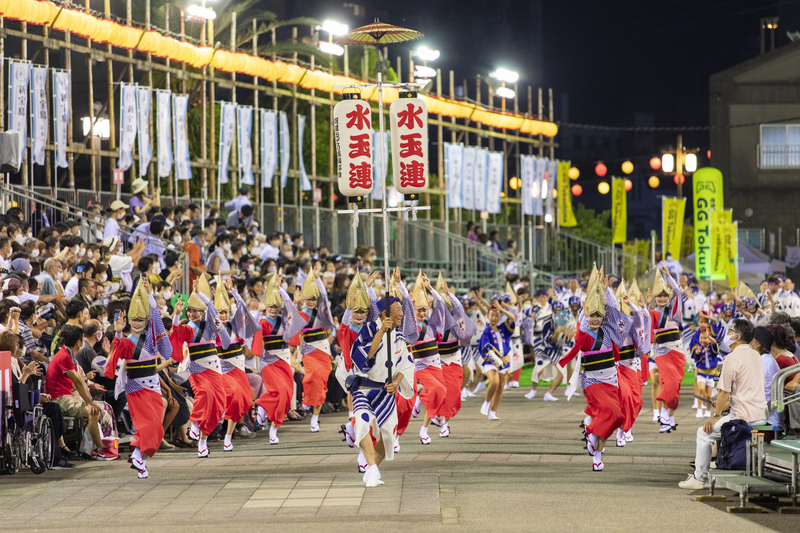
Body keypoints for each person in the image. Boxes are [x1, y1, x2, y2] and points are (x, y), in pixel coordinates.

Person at [679, 320, 768, 489]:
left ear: (737, 336)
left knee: (704, 433)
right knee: (710, 430)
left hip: (742, 417)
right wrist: (724, 404)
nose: (727, 333)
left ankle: (699, 478)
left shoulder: (731, 358)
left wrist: (716, 416)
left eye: (730, 330)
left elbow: (723, 391)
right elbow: (745, 390)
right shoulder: (756, 355)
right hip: (760, 414)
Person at [104, 279, 173, 478]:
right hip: (136, 387)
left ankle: (139, 459)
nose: (136, 323)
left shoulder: (150, 335)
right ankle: (137, 455)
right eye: (132, 319)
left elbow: (158, 323)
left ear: (145, 321)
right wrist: (117, 331)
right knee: (147, 425)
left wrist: (150, 296)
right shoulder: (125, 340)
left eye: (140, 320)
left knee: (155, 428)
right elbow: (116, 353)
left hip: (153, 386)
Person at [558, 265, 624, 472]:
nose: (595, 318)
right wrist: (591, 294)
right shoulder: (584, 329)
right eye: (592, 314)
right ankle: (596, 453)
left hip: (610, 380)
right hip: (593, 381)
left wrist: (606, 291)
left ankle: (594, 437)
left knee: (618, 417)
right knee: (610, 411)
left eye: (598, 315)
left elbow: (612, 310)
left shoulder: (608, 329)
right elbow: (586, 316)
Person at [348, 295, 415, 487]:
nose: (402, 313)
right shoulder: (369, 329)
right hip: (365, 387)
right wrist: (381, 332)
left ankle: (371, 469)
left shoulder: (399, 336)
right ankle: (373, 468)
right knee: (362, 422)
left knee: (388, 436)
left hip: (386, 390)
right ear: (386, 313)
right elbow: (364, 356)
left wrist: (397, 381)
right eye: (398, 309)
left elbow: (406, 364)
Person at [169, 275, 230, 458]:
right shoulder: (187, 327)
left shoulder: (210, 325)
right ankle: (195, 423)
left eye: (195, 311)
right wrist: (177, 313)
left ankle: (202, 442)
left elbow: (212, 307)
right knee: (204, 393)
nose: (191, 314)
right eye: (189, 310)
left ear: (202, 311)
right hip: (196, 368)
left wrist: (199, 294)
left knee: (218, 404)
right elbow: (175, 331)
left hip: (213, 367)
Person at [45, 324, 114, 460]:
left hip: (67, 395)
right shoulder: (64, 356)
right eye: (82, 339)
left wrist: (90, 401)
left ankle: (93, 449)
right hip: (59, 398)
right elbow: (78, 382)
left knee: (97, 409)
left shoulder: (69, 355)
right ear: (78, 342)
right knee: (93, 411)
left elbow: (81, 382)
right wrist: (89, 403)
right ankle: (94, 450)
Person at [256, 272, 304, 444]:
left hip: (284, 360)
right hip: (269, 361)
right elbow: (251, 331)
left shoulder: (284, 320)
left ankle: (274, 428)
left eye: (277, 305)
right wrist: (258, 311)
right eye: (270, 305)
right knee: (279, 392)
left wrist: (279, 289)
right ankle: (262, 404)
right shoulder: (262, 321)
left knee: (287, 394)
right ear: (266, 305)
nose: (273, 308)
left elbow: (291, 305)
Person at [214, 275, 260, 451]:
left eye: (225, 312)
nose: (223, 315)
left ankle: (228, 435)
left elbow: (243, 308)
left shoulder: (235, 326)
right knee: (231, 396)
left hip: (238, 369)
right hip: (222, 370)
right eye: (220, 312)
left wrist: (233, 291)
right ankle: (218, 428)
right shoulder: (212, 329)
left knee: (244, 398)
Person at [405, 271, 448, 443]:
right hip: (421, 366)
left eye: (425, 309)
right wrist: (410, 302)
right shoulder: (411, 324)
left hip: (436, 365)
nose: (422, 312)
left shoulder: (432, 323)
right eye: (419, 309)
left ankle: (424, 429)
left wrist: (430, 288)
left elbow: (443, 306)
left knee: (441, 392)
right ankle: (420, 410)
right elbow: (407, 311)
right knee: (437, 390)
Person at [294, 263, 334, 433]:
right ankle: (306, 400)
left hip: (324, 350)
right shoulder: (299, 312)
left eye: (313, 299)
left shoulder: (321, 312)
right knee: (313, 377)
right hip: (309, 351)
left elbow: (324, 296)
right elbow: (290, 325)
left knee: (321, 381)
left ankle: (315, 417)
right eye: (308, 299)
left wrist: (318, 279)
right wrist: (295, 303)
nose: (311, 302)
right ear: (303, 298)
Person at [434, 273, 475, 438]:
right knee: (437, 391)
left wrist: (449, 294)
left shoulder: (457, 318)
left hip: (453, 357)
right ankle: (437, 418)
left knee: (453, 393)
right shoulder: (431, 317)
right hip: (435, 359)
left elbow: (458, 308)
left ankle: (445, 423)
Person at [650, 263, 685, 433]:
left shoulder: (674, 311)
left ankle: (669, 418)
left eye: (665, 295)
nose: (662, 299)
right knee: (669, 384)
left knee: (675, 387)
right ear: (654, 298)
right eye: (659, 296)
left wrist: (668, 275)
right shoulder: (652, 313)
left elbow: (677, 291)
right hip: (662, 352)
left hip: (677, 352)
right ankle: (663, 411)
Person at [478, 297, 516, 420]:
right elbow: (486, 349)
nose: (494, 318)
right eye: (492, 315)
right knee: (494, 382)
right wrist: (499, 360)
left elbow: (512, 318)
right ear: (488, 316)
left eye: (496, 315)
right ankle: (486, 402)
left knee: (500, 386)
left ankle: (493, 412)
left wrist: (501, 309)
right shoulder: (486, 332)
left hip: (504, 360)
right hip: (491, 361)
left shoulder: (503, 328)